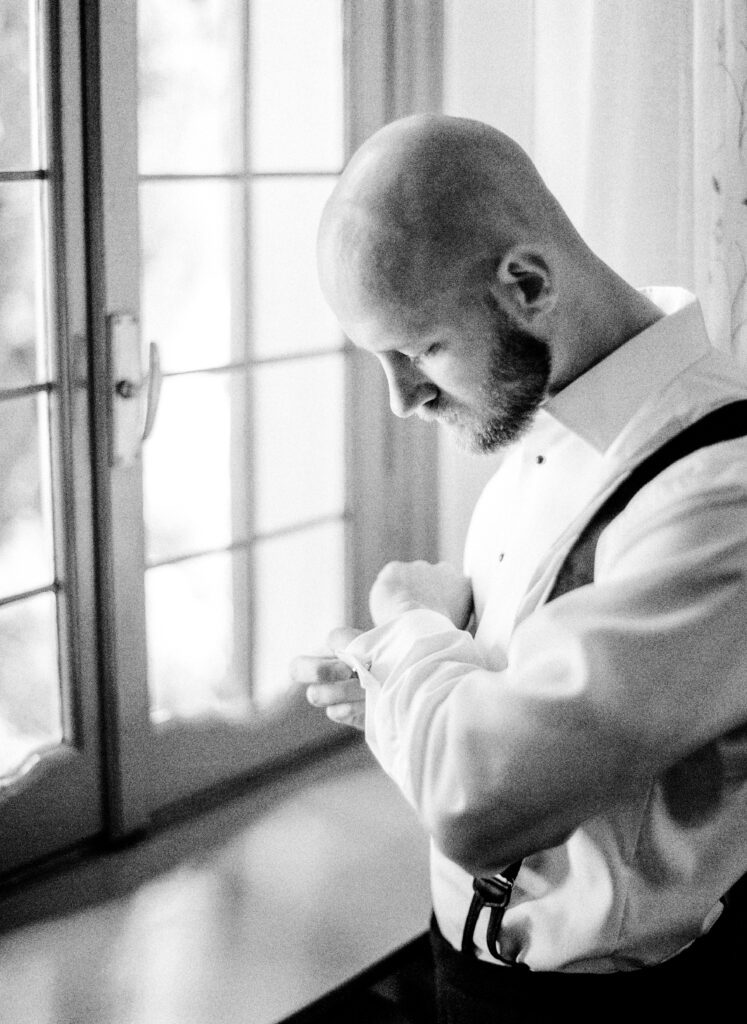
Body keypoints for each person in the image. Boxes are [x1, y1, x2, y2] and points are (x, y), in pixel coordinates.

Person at [290, 114, 747, 1021]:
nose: (401, 398)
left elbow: (477, 804)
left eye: (419, 349)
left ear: (526, 284)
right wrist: (393, 686)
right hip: (469, 966)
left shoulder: (716, 492)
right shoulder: (548, 429)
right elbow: (510, 721)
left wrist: (411, 624)